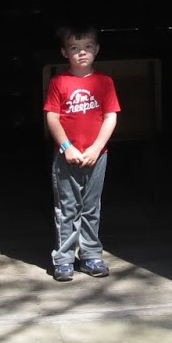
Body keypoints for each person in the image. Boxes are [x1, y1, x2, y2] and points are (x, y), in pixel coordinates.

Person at [43, 24, 120, 281]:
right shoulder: (59, 82)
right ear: (65, 53)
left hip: (97, 156)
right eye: (75, 48)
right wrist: (67, 147)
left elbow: (110, 117)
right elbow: (52, 117)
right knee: (67, 207)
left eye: (87, 47)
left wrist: (97, 148)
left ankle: (90, 255)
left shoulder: (105, 83)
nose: (82, 53)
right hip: (67, 157)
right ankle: (64, 259)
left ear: (96, 50)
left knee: (90, 206)